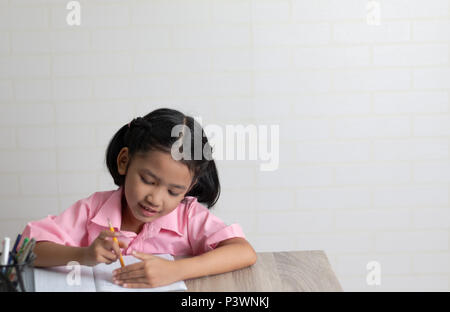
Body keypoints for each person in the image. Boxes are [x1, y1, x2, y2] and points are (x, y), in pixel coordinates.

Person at [20, 108, 257, 288]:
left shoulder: (188, 217)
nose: (155, 198)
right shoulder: (93, 211)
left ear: (189, 187)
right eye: (148, 180)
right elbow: (25, 250)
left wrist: (175, 270)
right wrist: (84, 255)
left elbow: (243, 251)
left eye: (174, 191)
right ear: (124, 161)